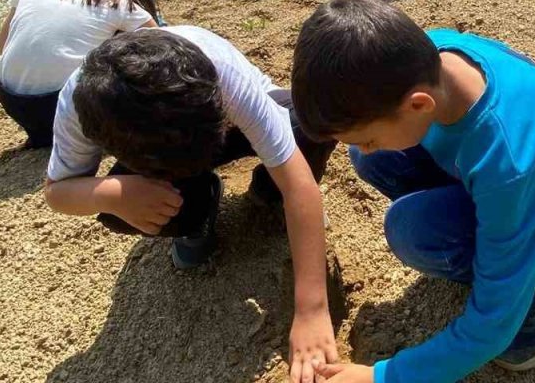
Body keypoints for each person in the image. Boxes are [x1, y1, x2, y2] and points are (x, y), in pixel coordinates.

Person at [290, 0, 535, 383]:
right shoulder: (428, 55)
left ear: (418, 105)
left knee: (413, 231)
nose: (363, 145)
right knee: (373, 160)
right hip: (499, 173)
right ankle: (493, 240)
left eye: (370, 138)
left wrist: (381, 377)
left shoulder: (511, 159)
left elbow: (490, 327)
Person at [43, 26, 339, 382]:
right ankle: (196, 213)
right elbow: (57, 192)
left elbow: (299, 185)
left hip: (226, 126)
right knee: (117, 211)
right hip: (158, 160)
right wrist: (114, 192)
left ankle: (266, 196)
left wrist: (312, 309)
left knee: (309, 123)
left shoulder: (219, 77)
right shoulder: (79, 104)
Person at [0, 0, 159, 148]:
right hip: (69, 109)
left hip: (17, 106)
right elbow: (163, 52)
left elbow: (0, 46)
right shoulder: (117, 2)